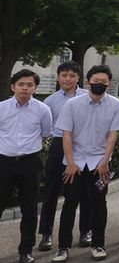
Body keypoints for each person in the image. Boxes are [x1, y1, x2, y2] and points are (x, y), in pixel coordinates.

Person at [52, 64, 119, 263]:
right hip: (74, 162)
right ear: (87, 82)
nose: (99, 84)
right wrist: (70, 163)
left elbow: (112, 136)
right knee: (69, 204)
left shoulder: (116, 105)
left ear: (109, 83)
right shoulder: (72, 104)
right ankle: (63, 247)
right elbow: (66, 135)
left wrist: (105, 161)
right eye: (96, 81)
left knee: (99, 204)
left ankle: (98, 244)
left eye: (103, 82)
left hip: (98, 163)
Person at [0, 69, 52, 263]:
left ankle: (26, 251)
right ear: (13, 86)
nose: (25, 88)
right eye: (21, 84)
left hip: (30, 163)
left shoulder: (42, 110)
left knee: (29, 209)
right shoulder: (1, 108)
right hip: (3, 162)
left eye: (30, 85)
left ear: (35, 88)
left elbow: (45, 133)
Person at [38, 61, 90, 252]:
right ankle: (46, 234)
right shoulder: (50, 101)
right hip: (59, 145)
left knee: (84, 191)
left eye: (72, 75)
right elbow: (45, 128)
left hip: (82, 145)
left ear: (78, 78)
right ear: (58, 77)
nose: (68, 79)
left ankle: (85, 231)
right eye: (64, 75)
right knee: (51, 191)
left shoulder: (87, 96)